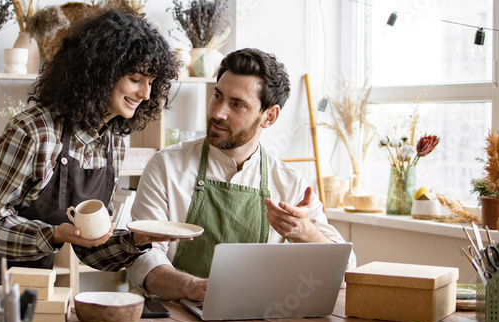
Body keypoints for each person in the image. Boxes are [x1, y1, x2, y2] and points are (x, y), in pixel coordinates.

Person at [0, 9, 179, 311]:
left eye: (152, 82)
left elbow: (90, 249)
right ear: (100, 72)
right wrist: (52, 234)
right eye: (135, 79)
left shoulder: (113, 142)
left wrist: (136, 241)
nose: (145, 93)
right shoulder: (35, 131)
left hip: (31, 282)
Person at [127, 48, 354, 302]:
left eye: (237, 104)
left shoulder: (289, 183)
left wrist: (304, 232)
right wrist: (191, 287)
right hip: (174, 319)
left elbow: (346, 271)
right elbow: (142, 257)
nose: (217, 113)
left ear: (269, 117)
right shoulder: (166, 166)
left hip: (257, 321)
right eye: (217, 96)